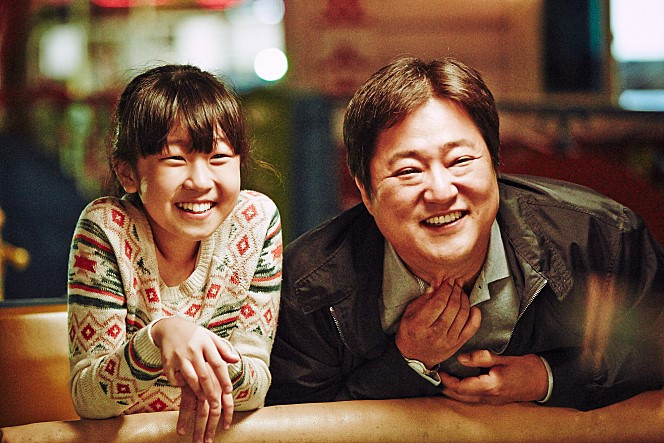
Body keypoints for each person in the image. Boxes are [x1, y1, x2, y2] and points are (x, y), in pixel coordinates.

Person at [266, 56, 664, 411]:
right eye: (408, 171)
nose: (441, 192)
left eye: (460, 161)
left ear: (495, 163)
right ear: (366, 192)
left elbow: (655, 351)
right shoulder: (309, 287)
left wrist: (547, 378)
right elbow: (292, 423)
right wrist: (407, 363)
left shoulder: (599, 238)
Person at [67, 64, 282, 443]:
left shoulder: (256, 221)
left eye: (218, 157)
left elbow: (254, 388)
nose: (200, 181)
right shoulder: (107, 228)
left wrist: (194, 356)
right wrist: (160, 337)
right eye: (175, 159)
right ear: (127, 173)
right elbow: (89, 398)